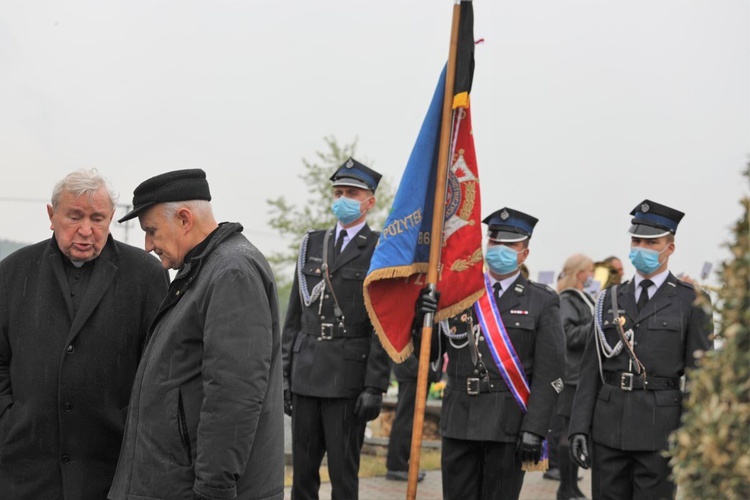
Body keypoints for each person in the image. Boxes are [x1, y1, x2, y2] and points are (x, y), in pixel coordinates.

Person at [108, 169, 284, 500]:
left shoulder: (231, 274)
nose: (147, 245)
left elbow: (234, 396)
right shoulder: (204, 271)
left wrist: (213, 490)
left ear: (185, 219)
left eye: (151, 231)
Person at [0, 169, 168, 500]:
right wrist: (10, 417)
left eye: (97, 218)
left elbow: (160, 368)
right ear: (52, 215)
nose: (86, 230)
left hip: (112, 468)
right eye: (74, 216)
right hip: (26, 467)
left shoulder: (145, 275)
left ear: (111, 220)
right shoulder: (12, 272)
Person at [417, 207, 564, 500]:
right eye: (494, 242)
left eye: (510, 245)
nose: (500, 249)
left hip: (508, 426)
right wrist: (422, 320)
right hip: (459, 420)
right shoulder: (458, 292)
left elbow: (550, 373)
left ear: (525, 253)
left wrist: (535, 429)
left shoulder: (542, 301)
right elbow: (431, 356)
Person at [569, 200, 713, 499]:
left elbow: (700, 377)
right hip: (609, 429)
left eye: (652, 242)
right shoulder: (609, 298)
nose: (641, 248)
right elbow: (590, 371)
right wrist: (579, 427)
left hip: (660, 431)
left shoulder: (691, 301)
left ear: (669, 248)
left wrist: (692, 436)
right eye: (636, 240)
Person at [282, 158, 391, 500]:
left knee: (343, 476)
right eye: (339, 192)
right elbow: (295, 317)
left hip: (347, 379)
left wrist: (375, 385)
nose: (343, 198)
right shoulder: (312, 244)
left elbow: (382, 324)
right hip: (306, 373)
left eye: (352, 193)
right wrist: (284, 375)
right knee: (302, 474)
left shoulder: (380, 250)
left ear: (370, 201)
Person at [555, 254, 596, 500]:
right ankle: (565, 486)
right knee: (566, 433)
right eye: (589, 270)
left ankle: (572, 485)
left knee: (574, 432)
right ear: (580, 273)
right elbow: (567, 334)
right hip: (571, 375)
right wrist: (597, 325)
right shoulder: (568, 299)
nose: (592, 275)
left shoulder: (582, 299)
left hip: (580, 373)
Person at [385, 353, 441, 482]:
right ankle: (397, 465)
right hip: (413, 368)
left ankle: (401, 463)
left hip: (415, 367)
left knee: (409, 417)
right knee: (406, 417)